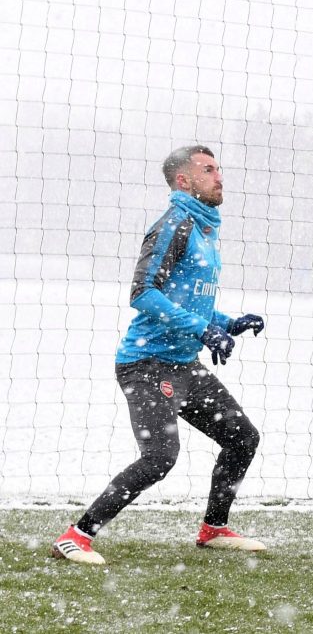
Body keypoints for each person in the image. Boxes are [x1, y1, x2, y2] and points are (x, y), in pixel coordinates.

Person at [52, 146, 267, 565]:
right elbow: (144, 293)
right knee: (160, 458)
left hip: (183, 365)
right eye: (208, 170)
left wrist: (225, 321)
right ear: (183, 181)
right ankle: (75, 536)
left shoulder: (204, 230)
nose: (219, 176)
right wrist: (203, 329)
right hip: (146, 364)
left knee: (242, 438)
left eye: (218, 168)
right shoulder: (174, 225)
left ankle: (214, 529)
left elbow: (189, 300)